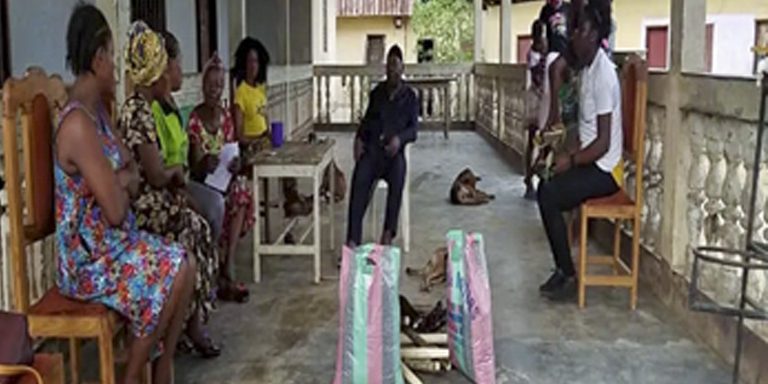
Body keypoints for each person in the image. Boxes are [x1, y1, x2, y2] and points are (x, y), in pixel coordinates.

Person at [56, 5, 194, 383]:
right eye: (113, 56)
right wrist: (119, 182)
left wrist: (116, 180)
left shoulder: (98, 112)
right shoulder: (78, 124)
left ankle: (159, 368)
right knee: (176, 268)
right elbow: (117, 207)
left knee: (186, 264)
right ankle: (134, 376)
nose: (118, 68)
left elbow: (131, 172)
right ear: (98, 57)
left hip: (112, 244)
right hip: (88, 261)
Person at [119, 21, 220, 358]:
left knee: (199, 227)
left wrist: (176, 178)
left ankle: (190, 320)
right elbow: (157, 174)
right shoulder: (138, 112)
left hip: (157, 199)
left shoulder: (147, 107)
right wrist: (176, 173)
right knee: (196, 228)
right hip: (145, 207)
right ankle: (186, 323)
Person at [537, 0, 621, 301]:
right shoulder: (587, 69)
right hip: (589, 158)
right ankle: (563, 269)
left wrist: (570, 161)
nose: (573, 36)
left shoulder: (603, 75)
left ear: (595, 33)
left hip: (605, 170)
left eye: (580, 30)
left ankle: (567, 274)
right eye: (573, 30)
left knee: (548, 194)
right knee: (545, 181)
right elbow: (583, 129)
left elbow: (603, 143)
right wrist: (558, 150)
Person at [188, 55, 255, 303]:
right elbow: (194, 169)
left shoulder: (226, 117)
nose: (214, 91)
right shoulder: (194, 120)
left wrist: (237, 164)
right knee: (220, 200)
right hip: (204, 185)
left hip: (224, 181)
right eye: (210, 85)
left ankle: (228, 264)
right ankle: (219, 270)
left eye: (219, 85)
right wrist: (204, 163)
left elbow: (233, 152)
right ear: (203, 87)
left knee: (241, 190)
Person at [152, 31, 226, 244]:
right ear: (167, 66)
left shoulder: (171, 106)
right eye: (179, 63)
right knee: (213, 205)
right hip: (170, 188)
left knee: (219, 200)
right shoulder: (156, 110)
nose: (182, 71)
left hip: (185, 180)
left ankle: (213, 267)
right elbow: (161, 168)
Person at [346, 45, 418, 247]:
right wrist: (359, 138)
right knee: (360, 176)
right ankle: (353, 239)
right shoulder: (377, 93)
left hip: (394, 155)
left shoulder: (410, 97)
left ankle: (388, 233)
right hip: (374, 152)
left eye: (396, 66)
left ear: (403, 68)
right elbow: (367, 121)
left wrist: (399, 139)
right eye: (389, 66)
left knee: (398, 176)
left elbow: (414, 131)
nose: (392, 71)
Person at [232, 37, 272, 157]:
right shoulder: (241, 92)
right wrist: (256, 140)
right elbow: (239, 135)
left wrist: (269, 135)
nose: (253, 65)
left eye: (256, 61)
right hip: (250, 152)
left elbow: (265, 122)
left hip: (265, 148)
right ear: (244, 63)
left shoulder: (260, 89)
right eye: (250, 61)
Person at [524, 19, 548, 199]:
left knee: (546, 142)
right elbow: (538, 79)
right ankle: (529, 178)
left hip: (544, 100)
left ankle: (538, 175)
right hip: (535, 102)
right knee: (533, 141)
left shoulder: (547, 54)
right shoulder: (533, 55)